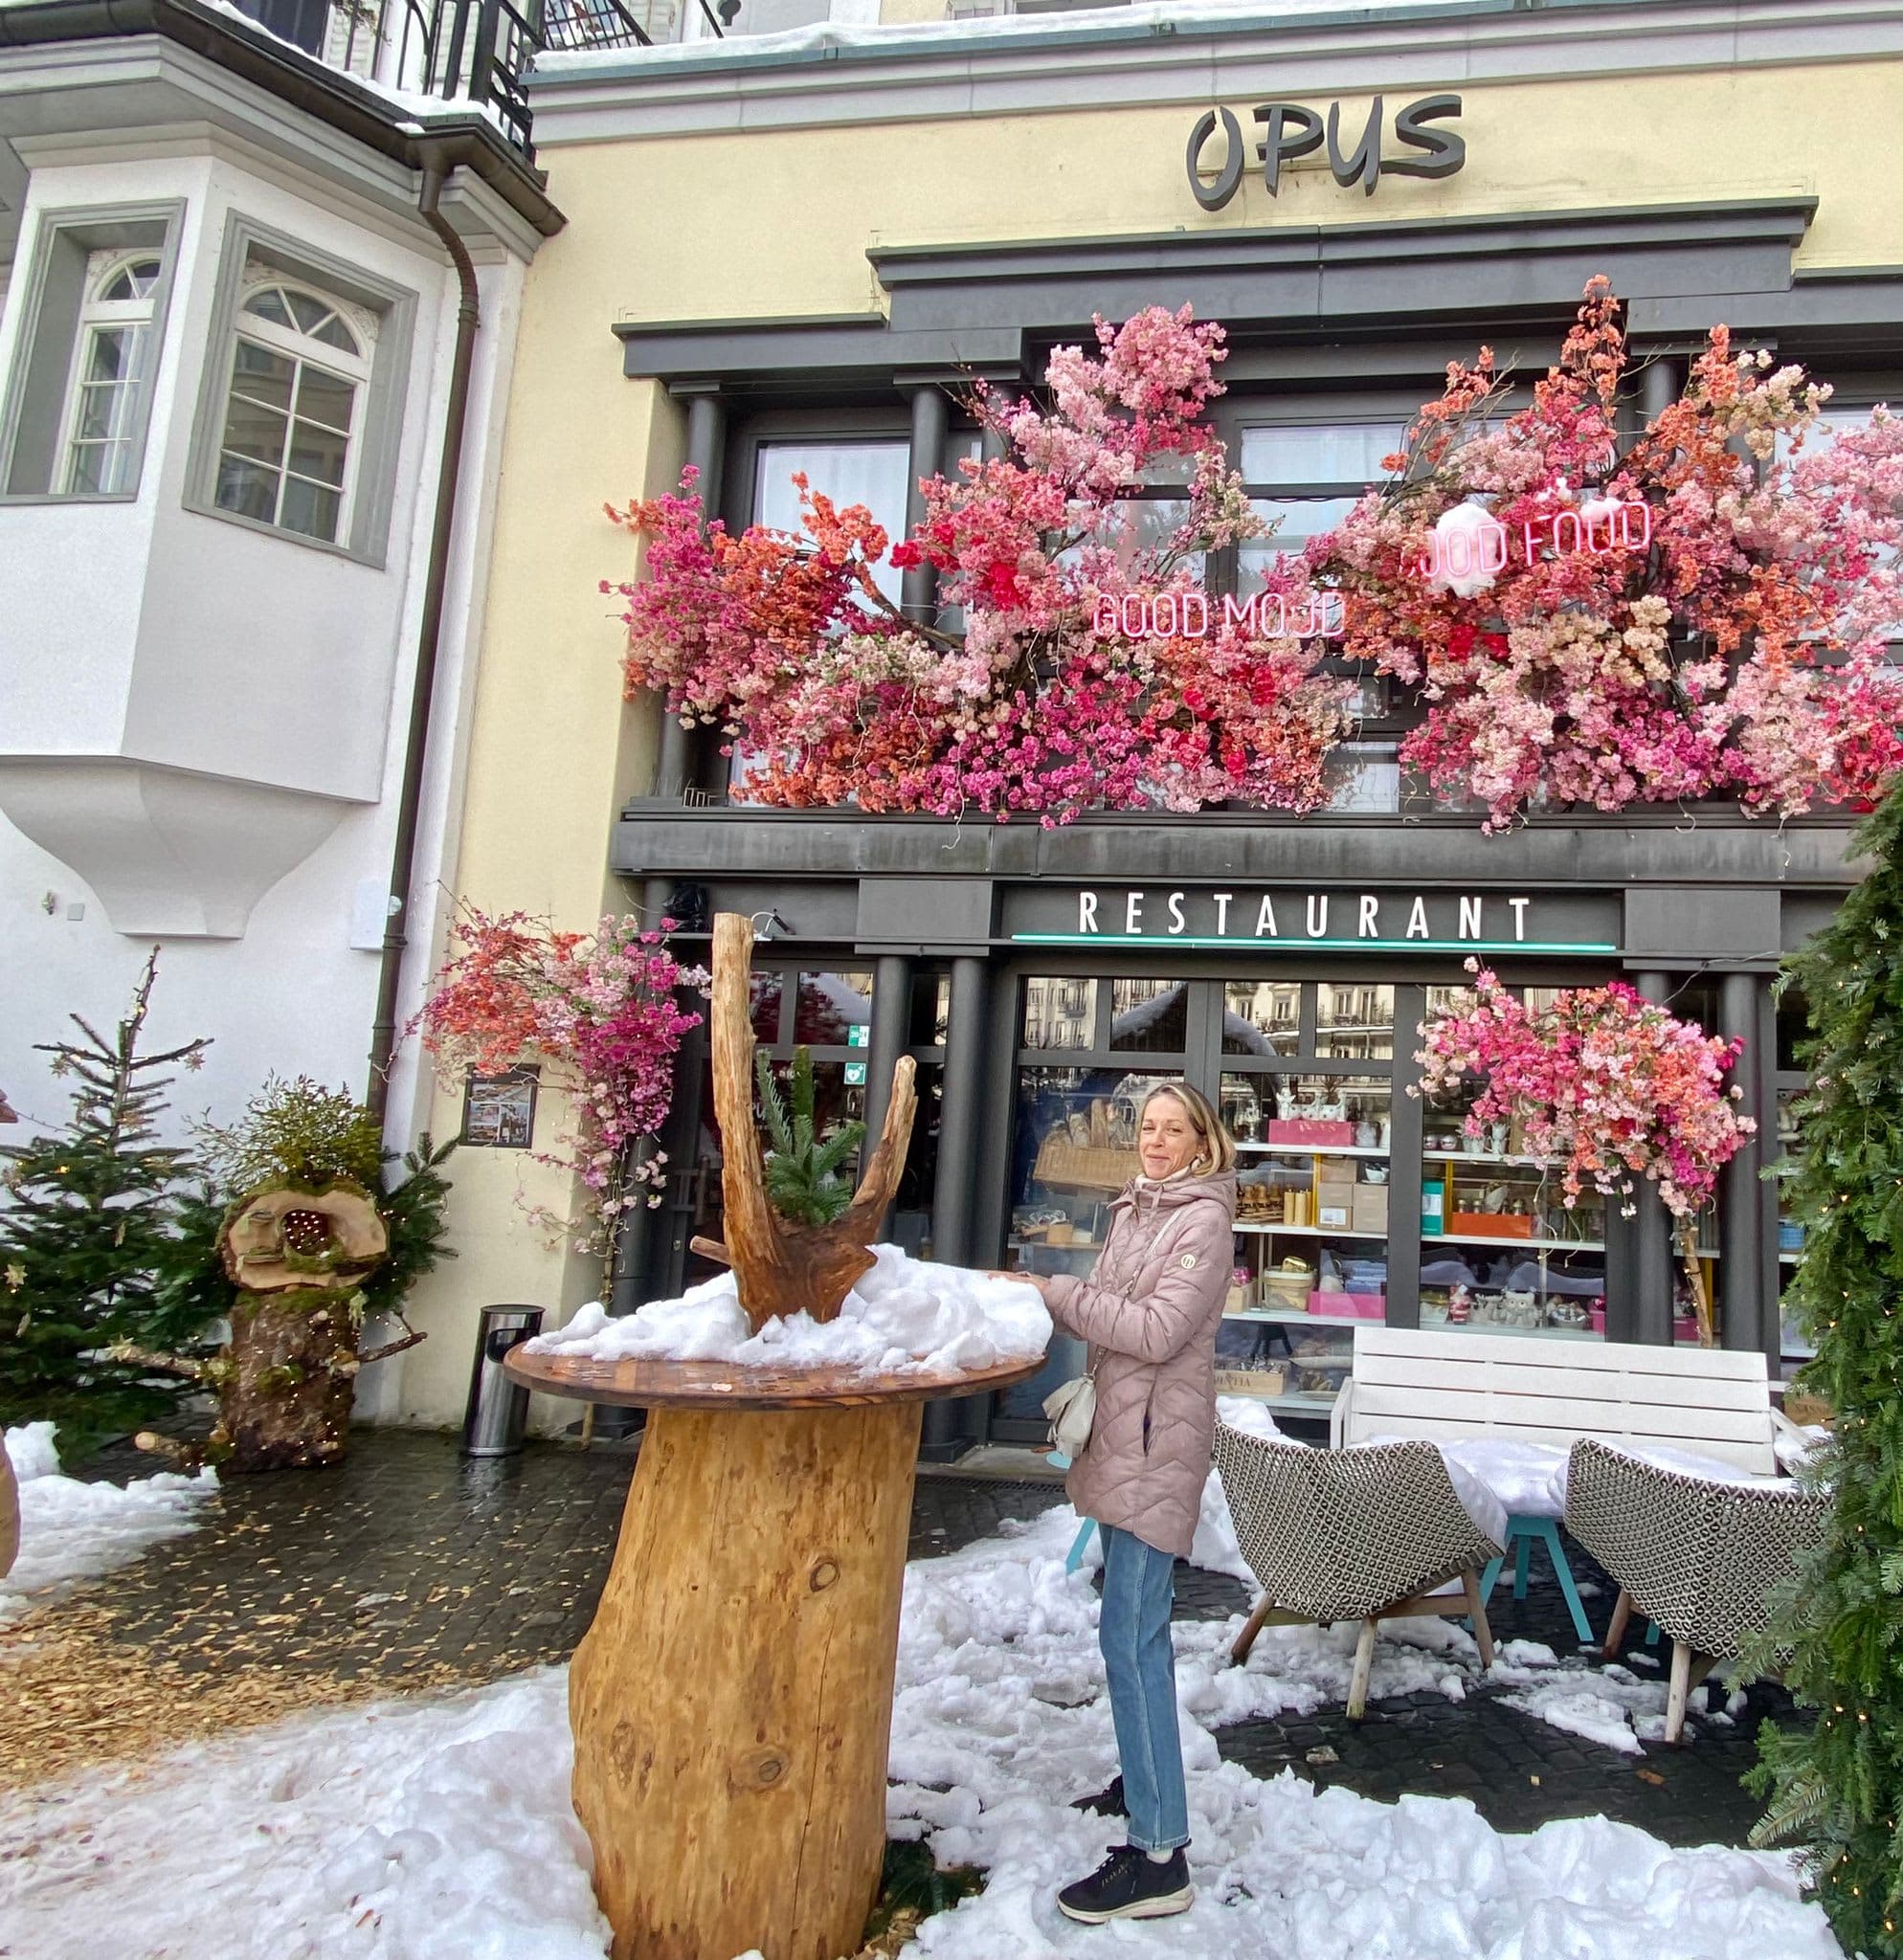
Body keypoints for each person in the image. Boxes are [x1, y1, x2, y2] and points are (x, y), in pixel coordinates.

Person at [1012, 1081, 1238, 1925]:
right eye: (1148, 1126)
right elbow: (1113, 1317)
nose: (1157, 1139)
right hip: (1125, 1438)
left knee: (1131, 1636)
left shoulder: (1201, 1222)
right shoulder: (1138, 1209)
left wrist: (1051, 1293)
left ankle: (1159, 1854)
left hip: (1153, 1447)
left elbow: (1153, 1332)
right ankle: (1144, 1782)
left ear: (1203, 1144)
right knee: (1133, 1631)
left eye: (1175, 1129)